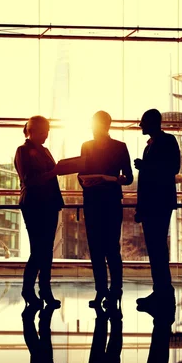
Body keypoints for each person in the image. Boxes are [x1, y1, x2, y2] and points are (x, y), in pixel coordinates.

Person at [80, 110, 133, 309]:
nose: (92, 128)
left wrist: (115, 179)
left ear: (105, 126)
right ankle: (102, 291)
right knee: (96, 249)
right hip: (96, 200)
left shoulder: (120, 147)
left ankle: (114, 291)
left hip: (107, 201)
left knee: (111, 248)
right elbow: (80, 174)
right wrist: (85, 181)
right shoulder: (87, 146)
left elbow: (128, 177)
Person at [134, 109, 180, 312]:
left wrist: (146, 166)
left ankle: (164, 292)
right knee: (155, 249)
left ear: (152, 122)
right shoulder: (153, 145)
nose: (140, 126)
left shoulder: (167, 141)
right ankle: (161, 291)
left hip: (158, 202)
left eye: (143, 122)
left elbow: (173, 169)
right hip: (152, 203)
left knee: (158, 248)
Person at [15, 116, 64, 308]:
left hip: (49, 203)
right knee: (38, 249)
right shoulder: (23, 150)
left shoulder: (44, 150)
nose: (46, 135)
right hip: (34, 204)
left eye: (48, 132)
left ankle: (44, 289)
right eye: (43, 132)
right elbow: (29, 179)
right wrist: (54, 172)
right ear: (32, 131)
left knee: (47, 249)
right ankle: (29, 289)